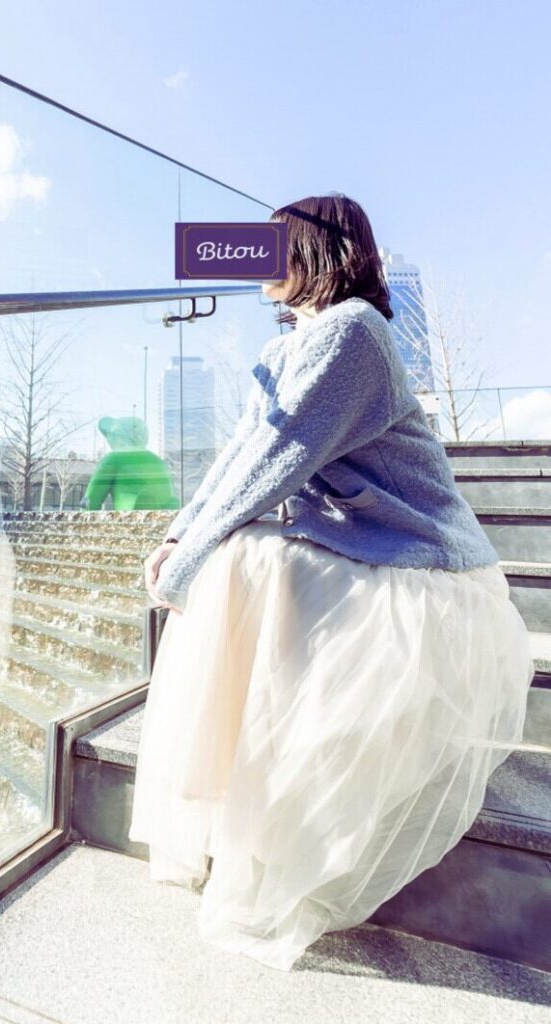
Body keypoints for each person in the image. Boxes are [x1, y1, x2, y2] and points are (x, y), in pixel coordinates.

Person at [127, 193, 535, 972]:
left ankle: (251, 803)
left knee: (247, 558)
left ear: (315, 251)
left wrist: (191, 558)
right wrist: (179, 535)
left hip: (424, 565)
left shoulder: (353, 332)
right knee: (242, 554)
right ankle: (228, 791)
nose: (253, 260)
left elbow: (273, 462)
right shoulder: (291, 345)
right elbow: (236, 457)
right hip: (361, 545)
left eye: (270, 245)